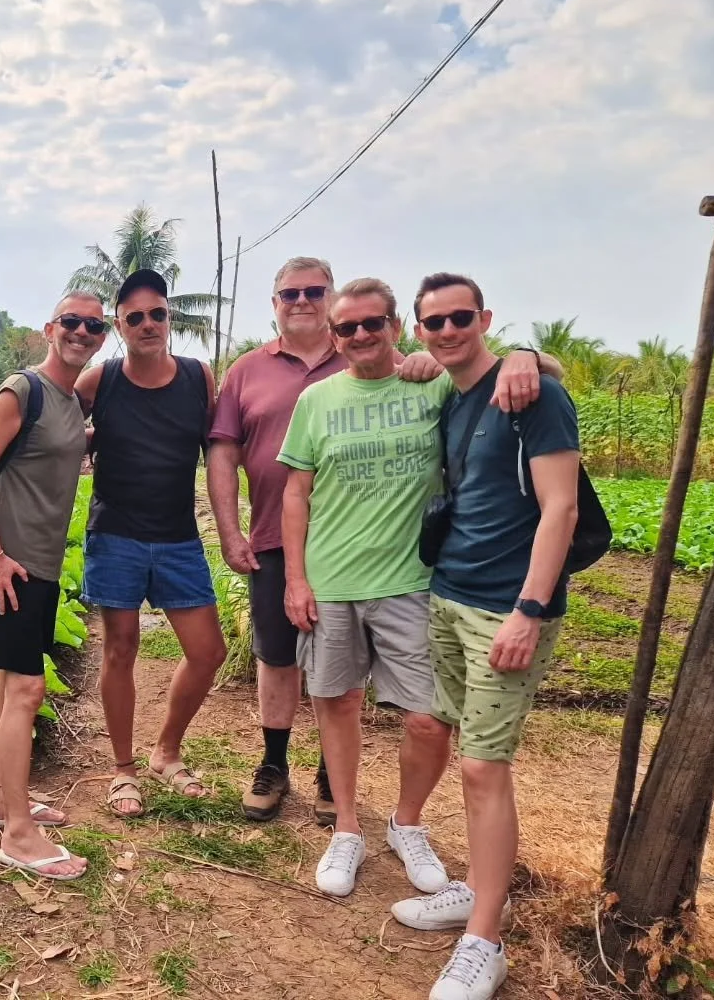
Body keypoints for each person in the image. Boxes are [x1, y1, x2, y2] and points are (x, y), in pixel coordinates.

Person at [277, 278, 548, 899]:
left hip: (413, 581)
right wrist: (296, 578)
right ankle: (347, 826)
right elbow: (296, 493)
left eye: (372, 323)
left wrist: (526, 355)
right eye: (347, 328)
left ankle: (406, 822)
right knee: (337, 702)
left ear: (397, 326)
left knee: (430, 719)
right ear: (334, 337)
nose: (360, 335)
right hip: (332, 580)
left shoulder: (434, 384)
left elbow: (506, 371)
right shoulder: (317, 401)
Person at [391, 274, 579, 1000]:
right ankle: (476, 888)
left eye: (459, 317)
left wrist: (529, 610)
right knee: (451, 737)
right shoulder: (459, 393)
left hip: (506, 607)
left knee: (482, 766)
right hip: (449, 593)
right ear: (420, 329)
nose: (447, 331)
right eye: (434, 321)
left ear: (485, 317)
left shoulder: (535, 396)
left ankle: (485, 941)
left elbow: (560, 509)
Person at [209, 257, 446, 824]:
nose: (301, 301)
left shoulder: (387, 363)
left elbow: (475, 374)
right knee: (277, 655)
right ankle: (273, 763)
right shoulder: (247, 370)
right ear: (274, 304)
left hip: (373, 551)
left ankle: (328, 776)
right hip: (275, 539)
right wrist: (230, 530)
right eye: (289, 293)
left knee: (343, 675)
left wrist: (432, 360)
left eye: (314, 291)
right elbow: (222, 451)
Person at [0, 291, 108, 881]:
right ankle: (19, 836)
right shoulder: (23, 389)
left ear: (102, 337)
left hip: (40, 564)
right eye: (71, 321)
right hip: (10, 565)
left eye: (93, 325)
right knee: (27, 689)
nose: (81, 331)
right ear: (50, 328)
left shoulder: (69, 401)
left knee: (7, 681)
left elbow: (64, 447)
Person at [75, 268, 228, 818]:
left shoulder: (197, 377)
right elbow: (54, 428)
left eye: (156, 314)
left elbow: (219, 447)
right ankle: (123, 769)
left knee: (208, 652)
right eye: (134, 316)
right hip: (115, 535)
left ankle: (166, 751)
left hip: (178, 537)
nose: (147, 324)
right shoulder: (99, 381)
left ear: (170, 318)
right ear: (119, 326)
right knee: (120, 649)